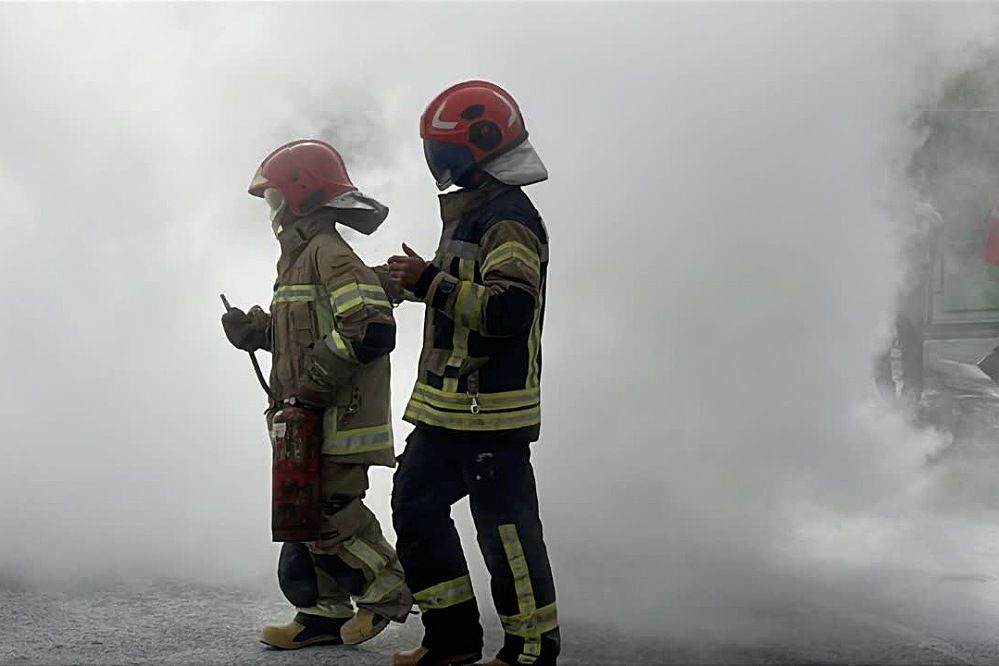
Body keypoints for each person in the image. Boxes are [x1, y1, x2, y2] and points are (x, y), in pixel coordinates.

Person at [383, 81, 560, 666]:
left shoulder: (509, 218)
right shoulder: (476, 211)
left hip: (493, 413)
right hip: (448, 409)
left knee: (506, 535)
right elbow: (466, 291)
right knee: (414, 505)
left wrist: (430, 283)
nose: (440, 161)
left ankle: (531, 650)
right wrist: (419, 283)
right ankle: (452, 642)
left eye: (444, 148)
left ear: (477, 145)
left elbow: (507, 312)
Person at [221, 139, 412, 650]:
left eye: (275, 197)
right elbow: (303, 333)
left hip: (338, 417)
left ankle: (388, 586)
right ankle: (321, 613)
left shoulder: (329, 254)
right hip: (304, 416)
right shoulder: (297, 259)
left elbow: (365, 330)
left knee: (331, 512)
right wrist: (256, 331)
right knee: (302, 512)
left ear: (300, 196)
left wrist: (308, 391)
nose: (272, 210)